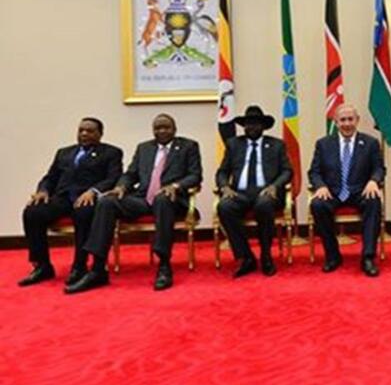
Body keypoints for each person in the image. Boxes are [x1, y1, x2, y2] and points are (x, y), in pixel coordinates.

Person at [66, 114, 202, 293]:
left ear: (174, 129)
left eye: (166, 127)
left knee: (162, 199)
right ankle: (98, 269)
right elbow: (131, 174)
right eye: (157, 128)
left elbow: (195, 175)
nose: (161, 131)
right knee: (107, 202)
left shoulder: (188, 146)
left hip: (172, 200)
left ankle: (164, 265)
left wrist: (176, 186)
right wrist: (121, 187)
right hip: (143, 199)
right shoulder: (144, 148)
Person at [19, 117, 122, 287]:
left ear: (100, 134)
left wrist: (93, 191)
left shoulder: (111, 153)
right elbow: (50, 177)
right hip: (63, 198)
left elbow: (113, 178)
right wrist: (43, 190)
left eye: (90, 131)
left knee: (84, 214)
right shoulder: (64, 153)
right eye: (81, 130)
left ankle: (79, 266)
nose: (84, 134)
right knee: (32, 212)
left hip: (87, 198)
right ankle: (42, 265)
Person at [215, 105, 293, 278]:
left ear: (263, 126)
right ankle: (246, 257)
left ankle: (266, 255)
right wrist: (225, 187)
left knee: (264, 205)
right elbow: (222, 172)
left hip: (267, 193)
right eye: (248, 123)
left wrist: (274, 186)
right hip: (239, 194)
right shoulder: (234, 144)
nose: (252, 127)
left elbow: (287, 171)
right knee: (224, 206)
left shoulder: (276, 145)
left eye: (256, 123)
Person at [308, 104, 384, 277]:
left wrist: (374, 181)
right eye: (343, 120)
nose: (347, 123)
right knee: (318, 205)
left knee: (373, 202)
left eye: (351, 119)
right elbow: (314, 172)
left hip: (360, 191)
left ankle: (368, 257)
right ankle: (333, 255)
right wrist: (320, 186)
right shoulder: (323, 144)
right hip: (332, 191)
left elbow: (379, 168)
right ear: (336, 122)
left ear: (357, 120)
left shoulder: (370, 143)